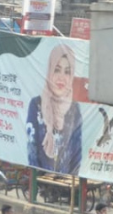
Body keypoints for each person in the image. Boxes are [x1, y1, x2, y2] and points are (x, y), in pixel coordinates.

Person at [26, 43, 81, 174]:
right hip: (41, 181)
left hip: (67, 184)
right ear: (50, 70)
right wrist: (40, 179)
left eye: (67, 71)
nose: (62, 77)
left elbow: (77, 154)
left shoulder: (74, 109)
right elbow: (32, 149)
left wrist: (70, 180)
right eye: (57, 69)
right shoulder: (36, 105)